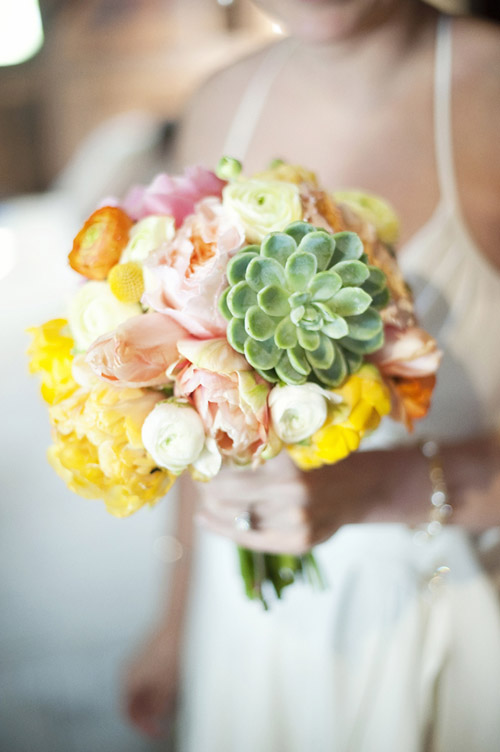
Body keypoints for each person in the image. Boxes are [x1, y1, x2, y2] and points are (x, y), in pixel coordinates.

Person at [124, 1, 500, 749]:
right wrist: (173, 623)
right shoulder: (219, 105)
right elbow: (191, 401)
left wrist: (382, 486)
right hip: (251, 625)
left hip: (453, 610)